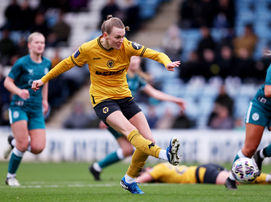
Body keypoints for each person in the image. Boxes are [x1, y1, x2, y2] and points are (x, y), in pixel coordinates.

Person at [31, 16, 181, 194]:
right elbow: (65, 64)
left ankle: (129, 180)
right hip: (103, 101)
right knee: (130, 132)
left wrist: (166, 62)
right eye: (117, 37)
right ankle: (165, 155)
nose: (121, 40)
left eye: (123, 36)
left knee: (149, 141)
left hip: (124, 98)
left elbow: (155, 53)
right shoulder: (88, 49)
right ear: (105, 35)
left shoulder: (127, 46)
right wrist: (43, 79)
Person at [89, 55, 186, 181]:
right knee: (143, 140)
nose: (134, 61)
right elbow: (106, 95)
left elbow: (154, 93)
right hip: (114, 115)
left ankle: (97, 167)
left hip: (125, 115)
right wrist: (105, 118)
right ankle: (140, 171)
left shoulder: (138, 78)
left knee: (128, 149)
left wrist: (176, 100)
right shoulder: (121, 75)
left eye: (136, 59)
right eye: (132, 59)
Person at [225, 39, 271, 190]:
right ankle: (231, 178)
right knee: (249, 149)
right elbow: (268, 91)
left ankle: (261, 156)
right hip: (261, 107)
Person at [3, 32, 51, 187]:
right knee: (23, 145)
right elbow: (7, 82)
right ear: (29, 45)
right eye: (37, 42)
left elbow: (45, 81)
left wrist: (45, 100)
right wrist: (19, 92)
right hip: (19, 106)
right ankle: (10, 177)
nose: (40, 45)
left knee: (38, 148)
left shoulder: (46, 63)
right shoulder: (21, 63)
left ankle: (14, 142)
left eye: (42, 43)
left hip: (36, 109)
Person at [136, 162, 271, 186]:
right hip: (204, 169)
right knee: (238, 178)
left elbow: (143, 179)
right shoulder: (163, 165)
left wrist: (133, 178)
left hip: (201, 174)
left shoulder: (156, 170)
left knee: (235, 180)